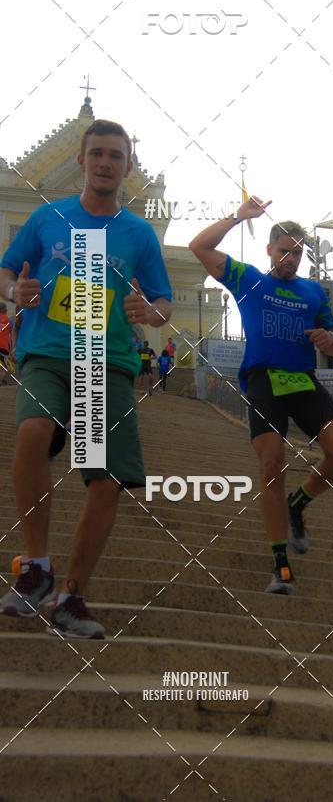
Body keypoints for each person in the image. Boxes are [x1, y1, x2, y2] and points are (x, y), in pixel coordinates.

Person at [0, 118, 173, 639]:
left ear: (126, 166)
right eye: (96, 153)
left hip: (105, 363)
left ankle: (71, 596)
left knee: (105, 479)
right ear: (81, 160)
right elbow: (6, 270)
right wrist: (15, 292)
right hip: (48, 354)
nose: (105, 163)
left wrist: (152, 311)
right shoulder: (47, 217)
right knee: (32, 433)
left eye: (115, 156)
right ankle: (36, 566)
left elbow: (164, 301)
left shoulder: (139, 233)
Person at [189, 197, 333, 595]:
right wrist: (237, 217)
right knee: (271, 464)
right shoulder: (250, 280)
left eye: (297, 252)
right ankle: (280, 562)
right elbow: (200, 246)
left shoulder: (315, 293)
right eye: (284, 250)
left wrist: (328, 339)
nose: (290, 258)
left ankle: (297, 505)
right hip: (264, 380)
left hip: (302, 379)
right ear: (269, 250)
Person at [0, 302, 11, 385]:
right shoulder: (8, 320)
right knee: (5, 366)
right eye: (6, 308)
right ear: (4, 310)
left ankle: (2, 379)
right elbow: (11, 333)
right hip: (3, 347)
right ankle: (1, 379)